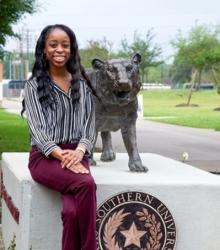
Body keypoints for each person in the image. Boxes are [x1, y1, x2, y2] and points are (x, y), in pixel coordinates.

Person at [22, 24, 97, 250]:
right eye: (53, 45)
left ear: (72, 49)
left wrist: (79, 151)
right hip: (44, 158)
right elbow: (37, 128)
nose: (59, 50)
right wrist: (60, 154)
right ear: (44, 49)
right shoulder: (33, 86)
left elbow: (90, 126)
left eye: (65, 45)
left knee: (72, 212)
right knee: (86, 183)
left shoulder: (82, 86)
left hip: (76, 154)